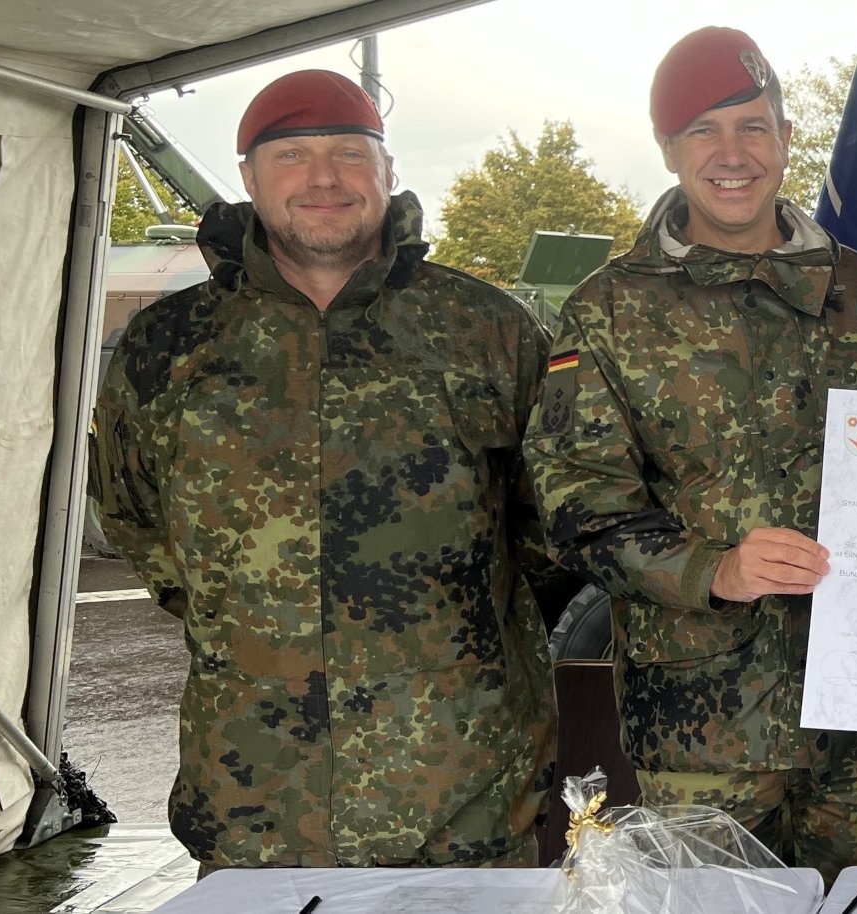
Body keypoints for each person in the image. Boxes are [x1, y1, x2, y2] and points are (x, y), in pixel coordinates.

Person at [90, 69, 574, 870]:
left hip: (462, 799)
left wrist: (446, 628)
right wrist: (249, 621)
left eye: (351, 153)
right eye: (291, 156)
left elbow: (546, 524)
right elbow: (136, 517)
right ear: (249, 178)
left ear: (387, 173)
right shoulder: (169, 345)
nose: (324, 178)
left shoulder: (485, 329)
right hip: (255, 803)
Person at [522, 27, 857, 884]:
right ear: (668, 148)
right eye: (704, 130)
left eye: (753, 125)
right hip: (703, 727)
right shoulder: (609, 309)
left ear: (783, 138)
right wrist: (715, 569)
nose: (732, 153)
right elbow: (577, 505)